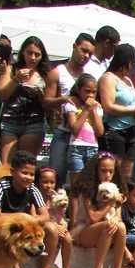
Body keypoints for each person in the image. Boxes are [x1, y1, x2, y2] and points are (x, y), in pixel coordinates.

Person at [0, 149, 61, 268]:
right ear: (13, 172)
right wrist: (20, 217)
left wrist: (28, 220)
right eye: (24, 173)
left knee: (52, 229)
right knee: (11, 234)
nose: (28, 177)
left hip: (27, 226)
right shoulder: (2, 185)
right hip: (7, 226)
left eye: (31, 174)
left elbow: (45, 215)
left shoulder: (32, 188)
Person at [68, 154, 131, 268]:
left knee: (121, 226)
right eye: (103, 171)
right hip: (83, 231)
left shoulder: (115, 189)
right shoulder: (88, 189)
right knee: (109, 225)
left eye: (111, 171)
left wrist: (115, 216)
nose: (107, 175)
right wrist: (111, 202)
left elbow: (118, 217)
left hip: (104, 232)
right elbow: (93, 218)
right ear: (96, 170)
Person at [44, 33, 96, 182]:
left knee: (81, 181)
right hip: (63, 131)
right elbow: (46, 101)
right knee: (55, 176)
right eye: (83, 50)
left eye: (90, 54)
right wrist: (64, 99)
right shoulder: (57, 72)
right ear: (74, 46)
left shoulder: (88, 77)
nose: (86, 56)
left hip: (82, 136)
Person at [0, 35, 50, 162]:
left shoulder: (45, 75)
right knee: (6, 165)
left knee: (25, 164)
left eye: (37, 54)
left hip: (34, 124)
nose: (33, 57)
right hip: (10, 123)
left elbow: (48, 104)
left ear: (42, 56)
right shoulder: (11, 69)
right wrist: (16, 80)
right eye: (29, 53)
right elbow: (0, 96)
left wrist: (40, 94)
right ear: (23, 52)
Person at [98, 43, 135, 188]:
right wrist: (132, 111)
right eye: (132, 64)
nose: (133, 68)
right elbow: (108, 106)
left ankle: (122, 197)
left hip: (132, 130)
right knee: (113, 171)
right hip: (114, 131)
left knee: (126, 174)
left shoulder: (128, 80)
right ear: (126, 62)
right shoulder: (108, 78)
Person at [36, 165, 77, 268]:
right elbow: (35, 217)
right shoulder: (36, 196)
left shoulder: (55, 197)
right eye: (45, 182)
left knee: (67, 238)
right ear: (38, 182)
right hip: (41, 226)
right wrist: (54, 225)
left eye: (52, 182)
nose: (48, 185)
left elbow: (61, 216)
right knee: (53, 231)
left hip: (56, 224)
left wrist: (61, 226)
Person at [64, 74, 104, 179]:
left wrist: (93, 110)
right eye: (87, 91)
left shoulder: (97, 107)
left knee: (90, 180)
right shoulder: (72, 105)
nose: (90, 95)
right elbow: (75, 129)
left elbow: (100, 132)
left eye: (94, 92)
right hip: (76, 148)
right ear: (79, 90)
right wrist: (86, 109)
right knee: (77, 181)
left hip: (93, 148)